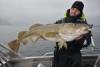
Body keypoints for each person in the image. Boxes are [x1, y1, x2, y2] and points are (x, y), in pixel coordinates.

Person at [52, 1, 92, 67]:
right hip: (60, 53)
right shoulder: (61, 21)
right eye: (73, 9)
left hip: (74, 55)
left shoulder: (83, 25)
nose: (74, 11)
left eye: (77, 10)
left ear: (80, 12)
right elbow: (51, 30)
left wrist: (81, 39)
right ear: (70, 9)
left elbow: (88, 42)